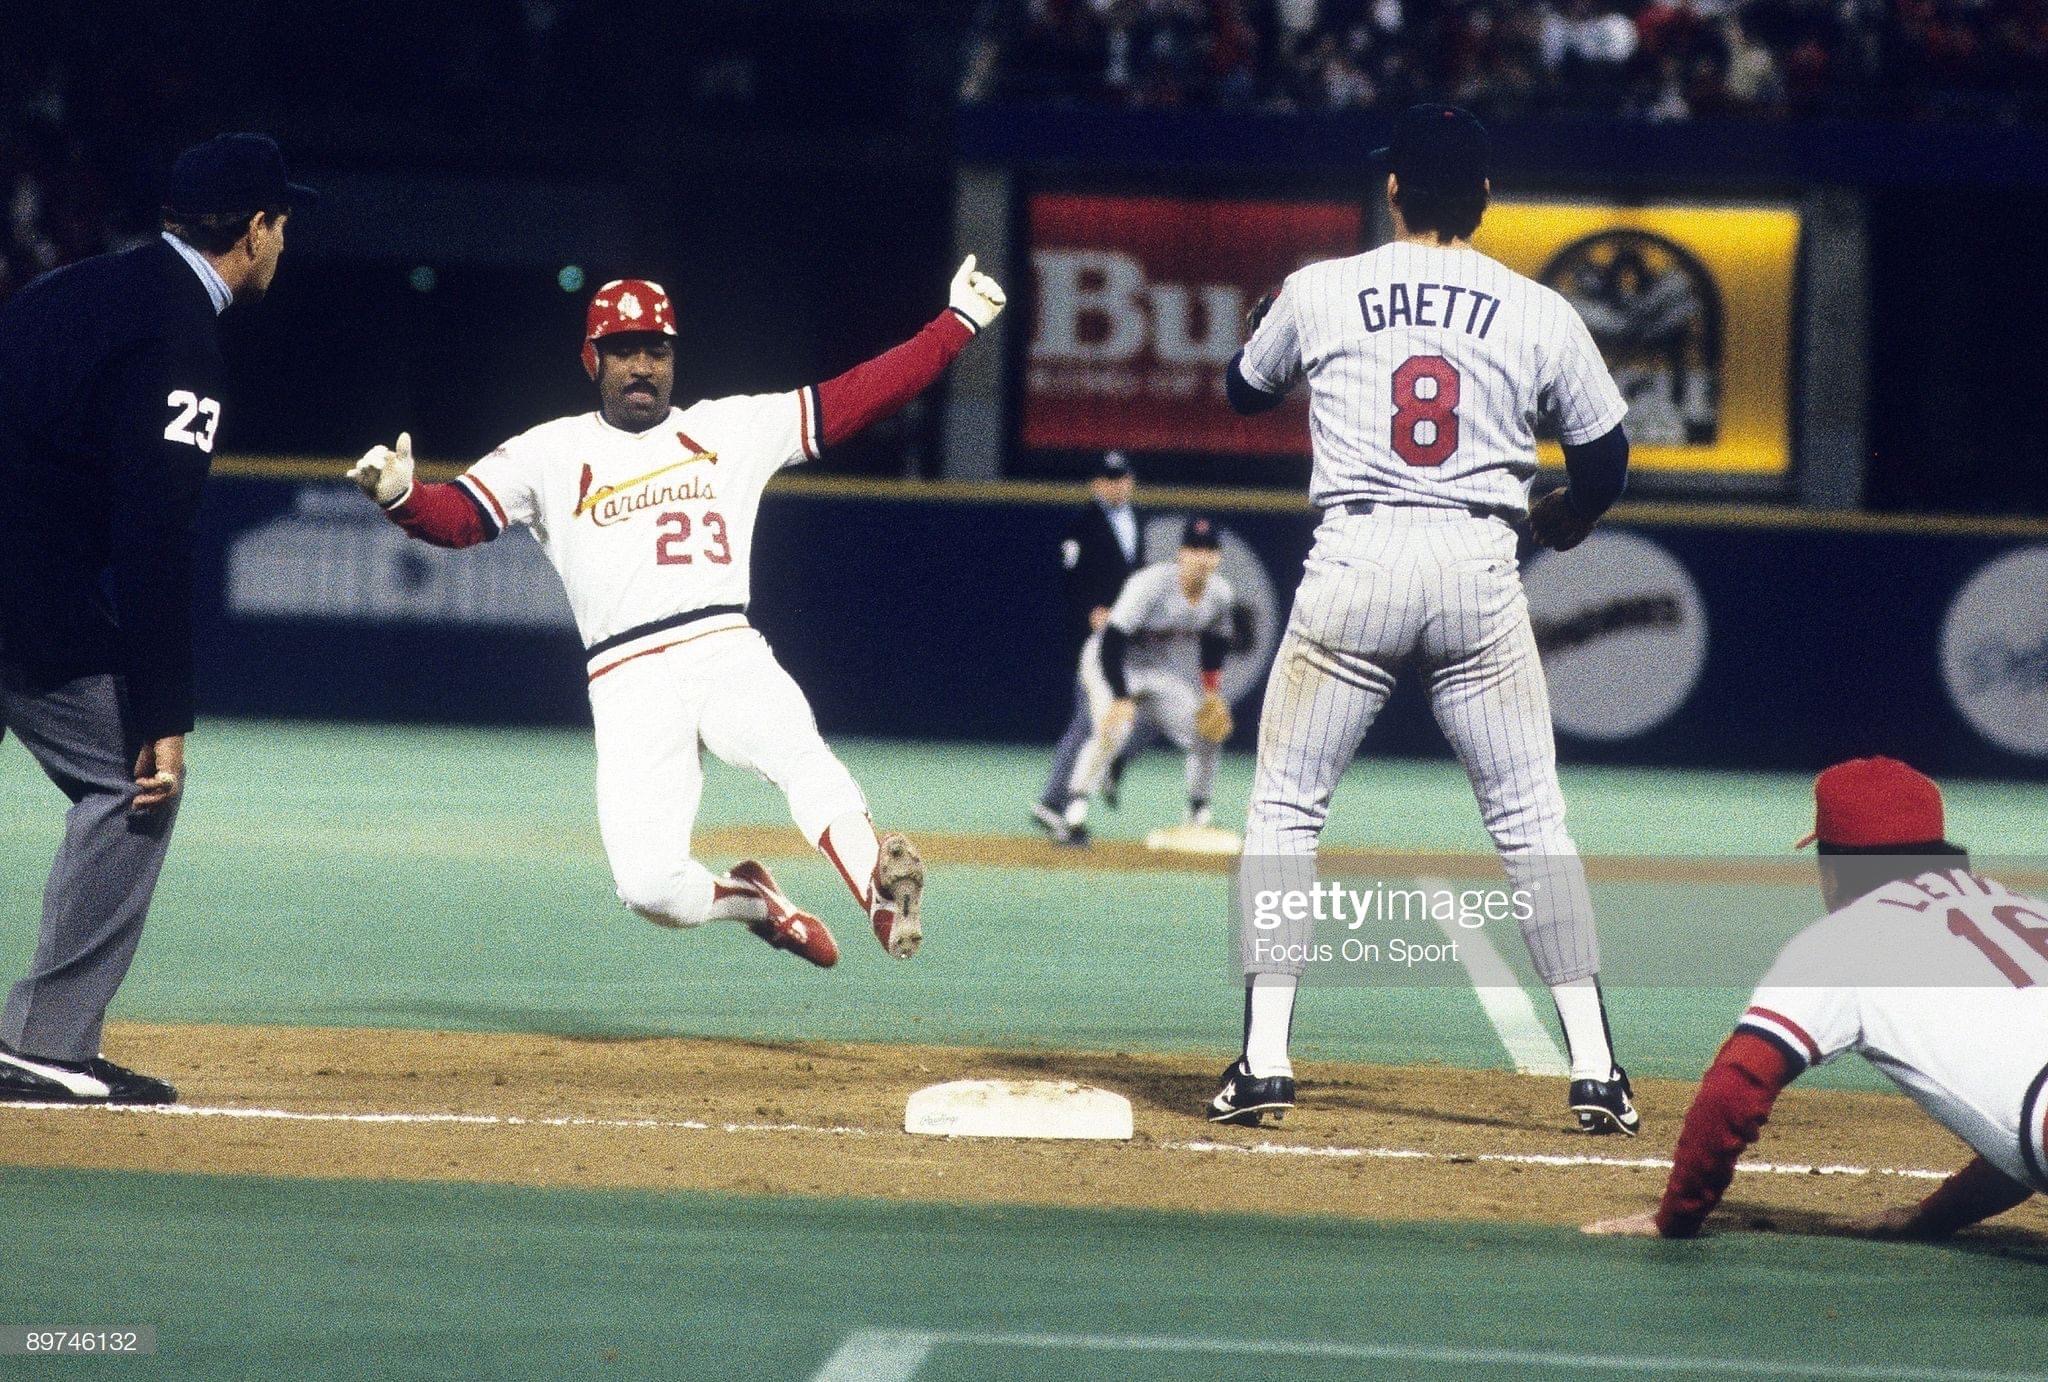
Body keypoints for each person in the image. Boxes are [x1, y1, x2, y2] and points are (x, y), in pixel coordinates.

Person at [348, 261, 1007, 967]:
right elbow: (461, 519)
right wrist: (403, 497)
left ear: (674, 358)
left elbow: (856, 398)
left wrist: (955, 325)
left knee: (802, 758)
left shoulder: (730, 428)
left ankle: (880, 897)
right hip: (627, 676)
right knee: (649, 889)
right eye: (624, 349)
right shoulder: (550, 450)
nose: (642, 365)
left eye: (656, 349)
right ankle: (760, 901)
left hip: (723, 645)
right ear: (590, 359)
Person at [1207, 103, 1636, 1132]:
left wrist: (1265, 326)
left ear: (1391, 189)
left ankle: (1264, 1059)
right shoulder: (1535, 308)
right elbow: (1605, 457)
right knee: (1531, 821)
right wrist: (1568, 517)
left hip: (1353, 557)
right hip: (1477, 562)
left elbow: (1240, 393)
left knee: (1282, 815)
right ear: (1483, 197)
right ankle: (1595, 1071)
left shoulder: (1319, 287)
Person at [0, 134, 313, 1106]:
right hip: (24, 588)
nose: (284, 239)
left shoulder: (68, 288)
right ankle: (46, 1042)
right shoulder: (180, 331)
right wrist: (164, 714)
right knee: (128, 780)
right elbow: (154, 538)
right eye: (281, 221)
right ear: (253, 229)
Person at [1587, 757, 2048, 1241]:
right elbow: (2015, 1122)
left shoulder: (1845, 939)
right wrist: (1932, 1215)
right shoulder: (2023, 906)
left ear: (1834, 866)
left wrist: (1675, 1218)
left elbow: (1734, 1087)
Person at [1058, 516, 1237, 845]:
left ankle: (1198, 814)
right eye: (1194, 548)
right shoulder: (1149, 584)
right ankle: (1073, 812)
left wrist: (1212, 693)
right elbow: (1112, 640)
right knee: (1115, 728)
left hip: (1156, 670)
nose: (1201, 556)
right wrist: (1121, 698)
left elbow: (1215, 646)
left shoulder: (1220, 594)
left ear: (1218, 557)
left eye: (1209, 549)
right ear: (1181, 553)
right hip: (1107, 662)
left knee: (1206, 731)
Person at [1032, 451, 1145, 845]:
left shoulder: (1136, 521)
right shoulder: (1081, 526)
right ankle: (1057, 801)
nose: (1116, 484)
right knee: (1092, 718)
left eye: (1122, 477)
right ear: (1096, 483)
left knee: (1101, 720)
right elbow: (1070, 585)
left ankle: (1065, 795)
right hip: (1092, 639)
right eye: (1108, 478)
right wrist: (1089, 613)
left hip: (1124, 635)